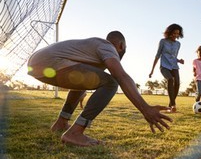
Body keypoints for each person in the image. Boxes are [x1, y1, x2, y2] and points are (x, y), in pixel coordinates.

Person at [27, 31, 173, 147]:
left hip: (37, 63)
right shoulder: (107, 46)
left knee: (86, 81)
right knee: (111, 83)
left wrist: (81, 90)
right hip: (51, 62)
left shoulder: (92, 50)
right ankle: (75, 133)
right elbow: (121, 76)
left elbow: (80, 78)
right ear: (121, 46)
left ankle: (61, 123)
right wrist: (145, 109)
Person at [149, 24, 184, 113]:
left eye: (178, 34)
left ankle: (170, 105)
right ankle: (173, 104)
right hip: (164, 66)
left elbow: (174, 56)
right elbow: (158, 55)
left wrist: (179, 60)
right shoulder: (163, 41)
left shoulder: (178, 44)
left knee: (177, 83)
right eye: (174, 33)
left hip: (174, 66)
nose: (176, 35)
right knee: (170, 79)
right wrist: (152, 70)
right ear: (170, 32)